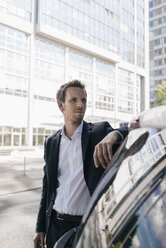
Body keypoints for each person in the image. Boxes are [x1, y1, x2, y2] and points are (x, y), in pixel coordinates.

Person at [33, 79, 132, 248]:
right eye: (74, 100)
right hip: (55, 225)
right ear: (61, 105)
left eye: (84, 100)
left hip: (87, 226)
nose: (81, 105)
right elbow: (47, 188)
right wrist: (40, 227)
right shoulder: (51, 142)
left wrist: (113, 135)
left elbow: (132, 128)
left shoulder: (99, 132)